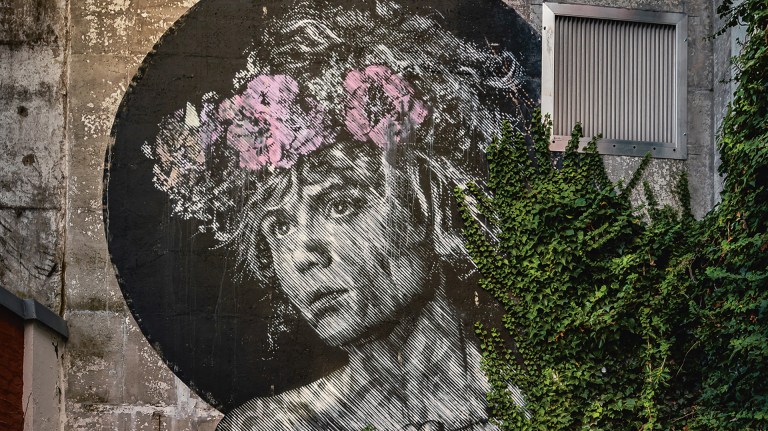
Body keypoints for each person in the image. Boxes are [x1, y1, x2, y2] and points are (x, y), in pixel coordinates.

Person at [142, 1, 535, 429]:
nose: (299, 256)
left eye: (340, 205)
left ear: (429, 203)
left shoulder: (541, 408)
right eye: (278, 229)